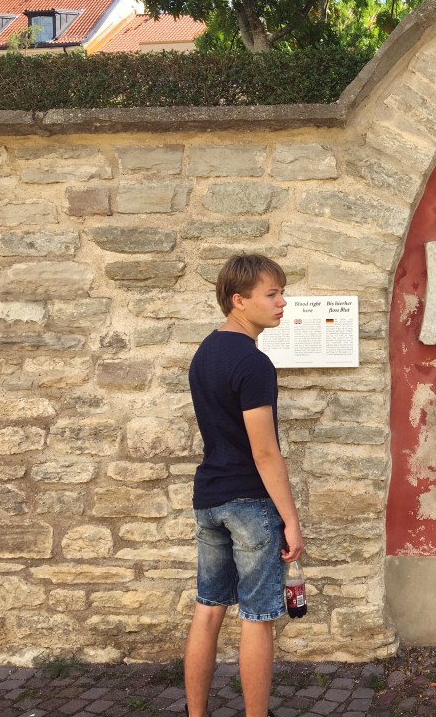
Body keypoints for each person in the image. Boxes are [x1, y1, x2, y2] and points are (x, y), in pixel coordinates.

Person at [184, 254, 305, 717]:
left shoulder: (205, 353)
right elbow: (265, 452)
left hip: (209, 499)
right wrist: (291, 521)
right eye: (271, 294)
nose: (282, 302)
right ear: (239, 300)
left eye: (281, 293)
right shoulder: (253, 363)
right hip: (249, 504)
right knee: (257, 618)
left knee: (208, 608)